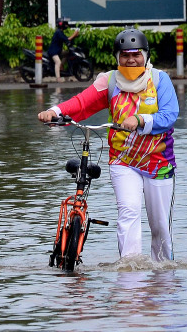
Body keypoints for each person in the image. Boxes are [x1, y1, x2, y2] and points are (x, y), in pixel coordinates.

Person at [37, 28, 179, 261]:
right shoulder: (110, 81)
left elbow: (170, 115)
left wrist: (141, 119)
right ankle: (130, 273)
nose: (130, 60)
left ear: (146, 55)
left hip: (158, 162)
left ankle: (163, 278)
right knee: (128, 212)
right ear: (117, 57)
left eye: (136, 54)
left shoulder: (160, 80)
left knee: (160, 226)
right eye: (124, 55)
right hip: (123, 161)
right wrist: (55, 111)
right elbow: (82, 103)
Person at [47, 18, 80, 82]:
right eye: (64, 24)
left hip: (58, 51)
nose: (66, 25)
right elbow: (68, 39)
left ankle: (61, 65)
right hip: (53, 52)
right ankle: (58, 78)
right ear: (61, 24)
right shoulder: (58, 32)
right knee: (57, 62)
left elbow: (66, 40)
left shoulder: (60, 32)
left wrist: (75, 36)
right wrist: (74, 34)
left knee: (67, 54)